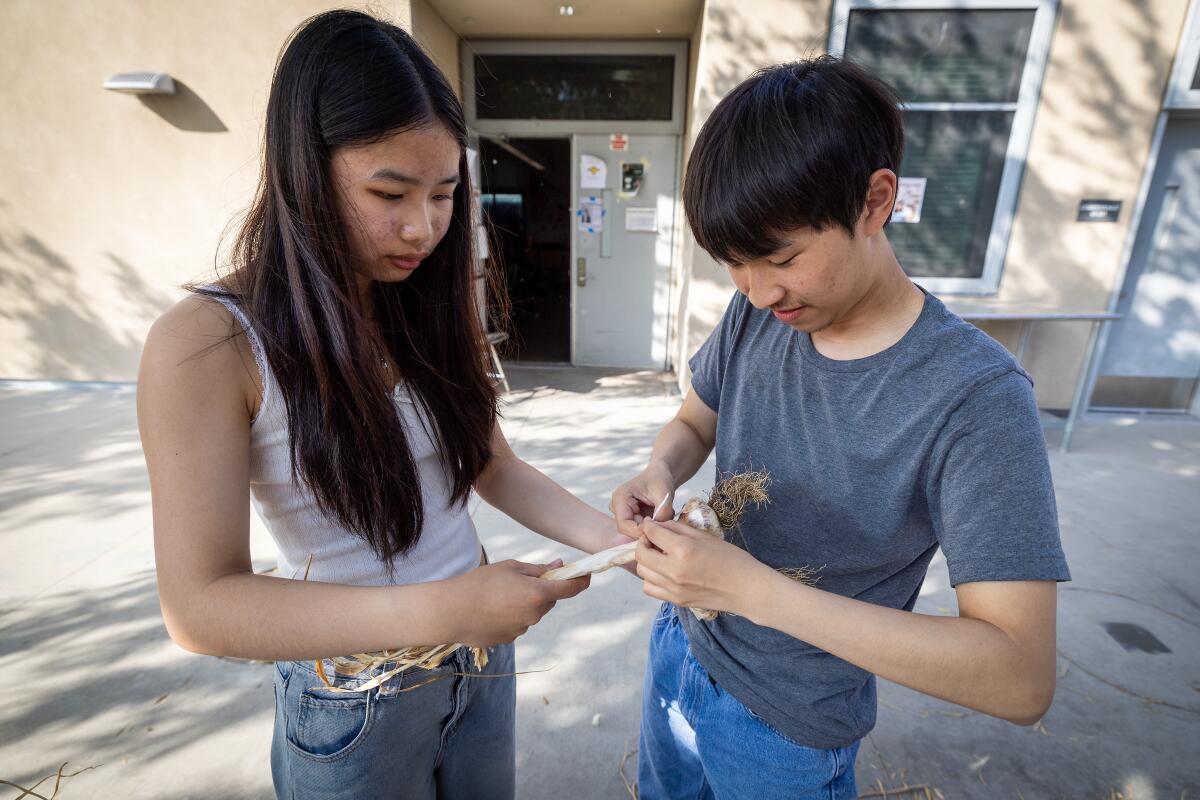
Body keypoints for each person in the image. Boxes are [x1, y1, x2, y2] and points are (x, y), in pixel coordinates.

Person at [137, 11, 619, 799]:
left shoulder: (424, 299)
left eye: (443, 194)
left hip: (478, 660)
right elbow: (202, 608)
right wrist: (446, 610)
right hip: (355, 694)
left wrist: (616, 539)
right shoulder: (207, 344)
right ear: (303, 170)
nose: (423, 227)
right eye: (389, 191)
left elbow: (490, 463)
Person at [611, 56, 1070, 800]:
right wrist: (661, 469)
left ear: (875, 201)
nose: (758, 292)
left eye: (780, 257)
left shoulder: (976, 397)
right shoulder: (759, 316)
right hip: (681, 647)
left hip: (788, 723)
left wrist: (751, 591)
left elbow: (1018, 676)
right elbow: (698, 414)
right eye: (734, 264)